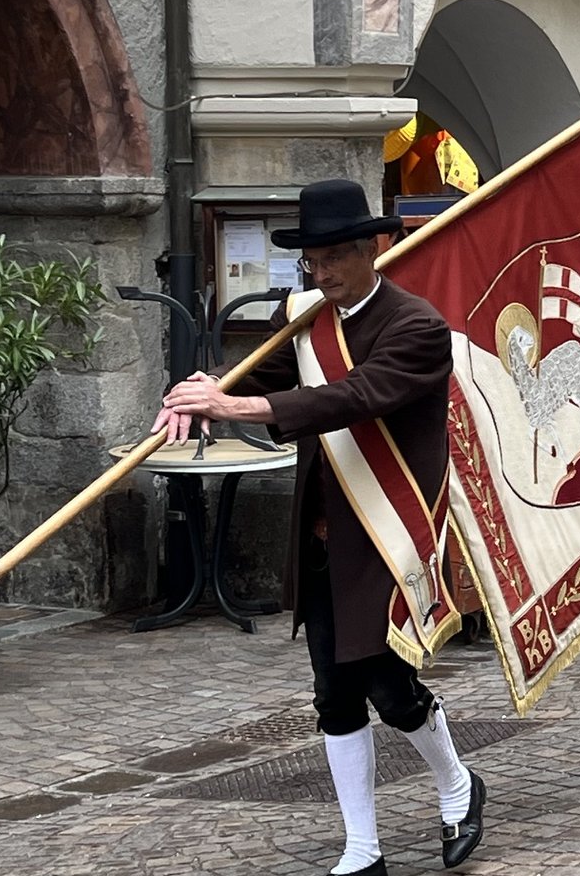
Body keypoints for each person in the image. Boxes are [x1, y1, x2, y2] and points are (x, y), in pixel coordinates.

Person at [155, 180, 485, 875]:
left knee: (390, 689)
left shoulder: (416, 327)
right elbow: (255, 377)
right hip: (322, 533)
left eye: (335, 255)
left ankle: (458, 783)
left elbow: (353, 397)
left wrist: (236, 409)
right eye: (312, 258)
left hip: (387, 535)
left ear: (373, 248)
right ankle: (362, 849)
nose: (321, 272)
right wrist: (201, 389)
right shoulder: (306, 318)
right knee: (333, 692)